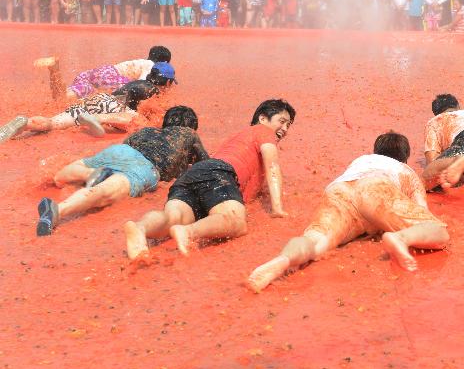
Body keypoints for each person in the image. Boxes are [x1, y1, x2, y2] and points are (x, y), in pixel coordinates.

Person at [246, 132, 450, 291]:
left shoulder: (361, 160)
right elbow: (422, 211)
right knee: (438, 231)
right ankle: (401, 239)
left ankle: (284, 259)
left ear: (375, 151)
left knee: (315, 240)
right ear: (404, 158)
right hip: (376, 189)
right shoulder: (406, 171)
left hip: (339, 189)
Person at [124, 99, 295, 261]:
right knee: (236, 221)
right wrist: (277, 208)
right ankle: (189, 232)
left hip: (195, 174)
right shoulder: (263, 131)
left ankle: (140, 228)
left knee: (172, 216)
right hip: (219, 172)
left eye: (289, 125)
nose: (285, 128)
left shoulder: (236, 140)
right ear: (263, 118)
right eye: (282, 121)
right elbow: (272, 165)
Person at [33, 106, 207, 236]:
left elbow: (126, 145)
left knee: (71, 172)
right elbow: (206, 163)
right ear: (192, 126)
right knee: (104, 192)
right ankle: (58, 210)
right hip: (144, 166)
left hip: (119, 151)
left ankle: (86, 174)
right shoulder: (188, 134)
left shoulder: (146, 131)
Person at [0, 61, 177, 143]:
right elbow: (150, 116)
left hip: (98, 99)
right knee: (141, 123)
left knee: (52, 123)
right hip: (113, 108)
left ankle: (26, 123)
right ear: (168, 82)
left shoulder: (135, 81)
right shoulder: (155, 91)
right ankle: (98, 119)